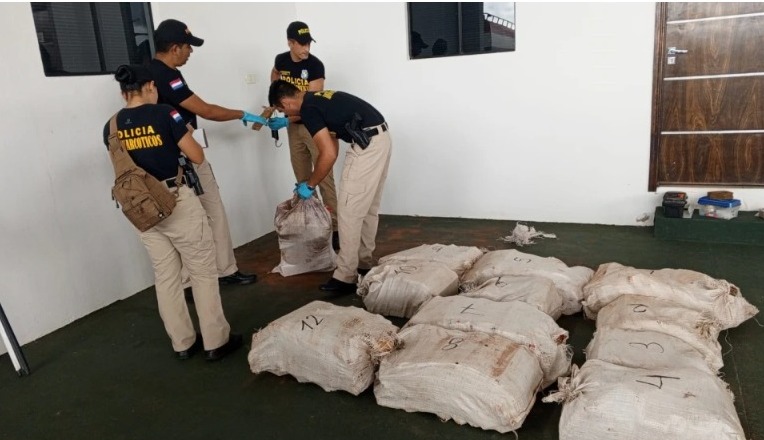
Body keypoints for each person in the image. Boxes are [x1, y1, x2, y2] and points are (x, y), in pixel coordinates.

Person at [102, 64, 242, 361]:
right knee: (202, 272)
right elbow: (196, 155)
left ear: (123, 92)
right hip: (175, 200)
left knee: (166, 276)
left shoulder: (111, 126)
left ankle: (182, 343)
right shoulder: (166, 113)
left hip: (141, 209)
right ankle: (216, 341)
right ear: (150, 87)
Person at [148, 19, 262, 287]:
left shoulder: (148, 72)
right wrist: (242, 114)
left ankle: (189, 281)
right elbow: (206, 110)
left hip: (162, 161)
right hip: (185, 155)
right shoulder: (168, 76)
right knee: (212, 209)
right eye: (188, 46)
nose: (191, 52)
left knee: (180, 221)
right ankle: (224, 270)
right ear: (175, 48)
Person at [268, 80, 392, 294]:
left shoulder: (309, 110)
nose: (285, 115)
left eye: (282, 111)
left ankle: (346, 276)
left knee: (348, 211)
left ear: (285, 103)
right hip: (381, 138)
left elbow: (329, 153)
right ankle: (363, 263)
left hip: (367, 145)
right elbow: (331, 141)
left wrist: (310, 185)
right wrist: (288, 124)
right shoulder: (316, 99)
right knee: (367, 208)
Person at [269, 21, 339, 250]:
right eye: (301, 44)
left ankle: (335, 228)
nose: (306, 48)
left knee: (324, 177)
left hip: (314, 126)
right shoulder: (281, 61)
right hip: (293, 129)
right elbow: (275, 75)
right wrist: (277, 100)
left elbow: (312, 106)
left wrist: (286, 118)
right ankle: (314, 224)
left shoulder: (315, 66)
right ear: (290, 42)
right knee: (302, 179)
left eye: (308, 43)